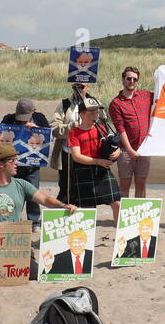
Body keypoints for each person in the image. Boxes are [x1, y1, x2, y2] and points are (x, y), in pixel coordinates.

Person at [0, 142, 75, 235]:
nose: (17, 163)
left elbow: (45, 199)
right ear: (0, 164)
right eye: (12, 160)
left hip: (15, 242)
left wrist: (64, 206)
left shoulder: (21, 185)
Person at [64, 97, 122, 225]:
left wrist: (118, 151)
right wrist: (97, 161)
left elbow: (113, 146)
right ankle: (87, 240)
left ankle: (119, 236)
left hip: (102, 169)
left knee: (117, 203)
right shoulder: (74, 133)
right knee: (88, 208)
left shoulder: (102, 128)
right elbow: (76, 156)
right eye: (91, 113)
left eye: (96, 112)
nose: (95, 116)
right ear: (82, 114)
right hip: (84, 170)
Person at [0, 99, 51, 226]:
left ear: (33, 111)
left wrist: (37, 129)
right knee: (11, 193)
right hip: (13, 164)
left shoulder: (39, 118)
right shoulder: (9, 118)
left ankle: (33, 221)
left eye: (26, 117)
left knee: (33, 193)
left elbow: (49, 137)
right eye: (21, 117)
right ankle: (10, 220)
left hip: (32, 165)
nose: (23, 120)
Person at [109, 66, 154, 199]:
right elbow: (120, 128)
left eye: (135, 79)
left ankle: (139, 217)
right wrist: (129, 150)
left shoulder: (145, 96)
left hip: (144, 149)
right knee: (124, 186)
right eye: (129, 78)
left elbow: (162, 99)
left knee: (141, 184)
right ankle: (123, 218)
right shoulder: (116, 103)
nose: (132, 81)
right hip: (125, 151)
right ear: (123, 80)